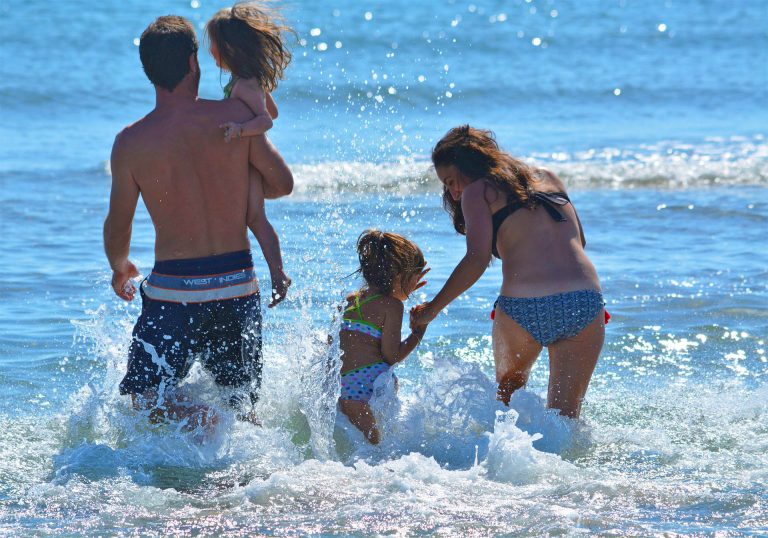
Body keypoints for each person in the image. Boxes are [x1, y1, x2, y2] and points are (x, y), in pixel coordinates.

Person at [103, 16, 293, 428]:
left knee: (147, 400)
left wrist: (120, 267)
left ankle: (205, 422)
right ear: (194, 63)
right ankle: (243, 467)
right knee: (242, 408)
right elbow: (282, 184)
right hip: (237, 285)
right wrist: (235, 175)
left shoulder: (131, 142)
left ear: (148, 71)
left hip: (174, 294)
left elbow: (119, 224)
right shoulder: (234, 118)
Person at [410, 126, 604, 419]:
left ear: (469, 167)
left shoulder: (478, 191)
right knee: (565, 420)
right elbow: (580, 241)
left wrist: (431, 310)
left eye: (451, 181)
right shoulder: (548, 176)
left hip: (523, 308)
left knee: (505, 408)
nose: (452, 191)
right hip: (584, 304)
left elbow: (476, 260)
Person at [206, 2, 294, 307]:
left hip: (251, 164)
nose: (211, 52)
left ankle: (278, 274)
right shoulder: (247, 82)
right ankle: (275, 273)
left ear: (229, 48)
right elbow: (273, 110)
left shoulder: (244, 85)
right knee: (254, 218)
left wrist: (241, 129)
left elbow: (266, 120)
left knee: (256, 219)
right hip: (247, 163)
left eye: (213, 46)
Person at [338, 231, 430, 444]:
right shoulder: (393, 306)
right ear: (400, 276)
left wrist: (405, 286)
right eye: (415, 278)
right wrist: (418, 333)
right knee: (377, 451)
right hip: (365, 387)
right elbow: (392, 356)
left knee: (356, 449)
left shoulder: (352, 300)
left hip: (342, 385)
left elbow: (333, 344)